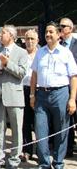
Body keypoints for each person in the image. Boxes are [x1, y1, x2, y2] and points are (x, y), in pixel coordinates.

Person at [30, 22, 77, 169]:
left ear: (59, 35)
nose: (48, 35)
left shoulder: (65, 53)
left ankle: (58, 162)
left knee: (61, 130)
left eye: (51, 32)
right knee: (40, 130)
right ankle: (44, 163)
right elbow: (34, 74)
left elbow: (73, 77)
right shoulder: (40, 52)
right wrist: (32, 94)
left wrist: (72, 99)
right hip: (41, 96)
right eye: (46, 32)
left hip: (61, 94)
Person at [0, 25, 28, 169]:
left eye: (3, 33)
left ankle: (14, 160)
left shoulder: (21, 52)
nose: (0, 35)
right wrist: (0, 66)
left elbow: (21, 73)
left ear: (11, 36)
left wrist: (7, 64)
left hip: (15, 96)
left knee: (17, 129)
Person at [59, 17, 77, 157]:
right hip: (65, 91)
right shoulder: (58, 47)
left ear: (71, 28)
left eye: (63, 26)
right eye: (60, 26)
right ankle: (69, 148)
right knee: (67, 121)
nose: (61, 28)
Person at [21, 29, 38, 162]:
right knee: (25, 122)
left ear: (37, 40)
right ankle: (27, 150)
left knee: (39, 122)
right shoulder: (21, 54)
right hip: (23, 90)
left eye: (32, 39)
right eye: (27, 39)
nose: (30, 41)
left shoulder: (41, 54)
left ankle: (39, 150)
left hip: (38, 91)